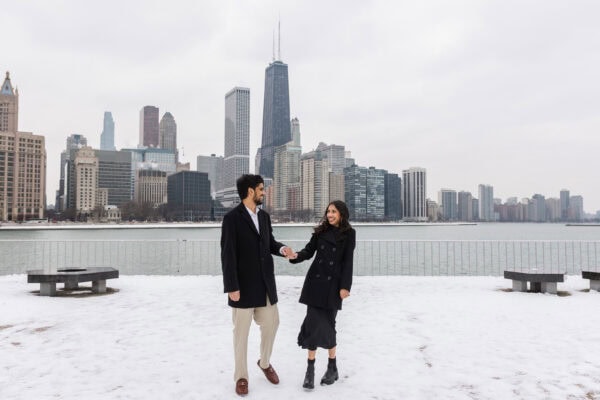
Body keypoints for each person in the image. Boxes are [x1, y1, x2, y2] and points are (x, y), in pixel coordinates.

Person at [221, 174, 295, 396]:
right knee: (241, 335)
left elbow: (270, 243)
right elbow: (228, 255)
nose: (264, 192)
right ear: (250, 191)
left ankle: (264, 363)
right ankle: (241, 377)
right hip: (241, 288)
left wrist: (283, 250)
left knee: (272, 324)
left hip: (265, 285)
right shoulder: (231, 218)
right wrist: (231, 287)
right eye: (261, 189)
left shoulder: (264, 216)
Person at [289, 200, 356, 390]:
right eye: (328, 211)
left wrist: (345, 287)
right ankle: (310, 371)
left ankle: (332, 367)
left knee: (328, 326)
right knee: (312, 325)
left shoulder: (349, 234)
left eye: (333, 211)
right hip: (315, 284)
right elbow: (309, 252)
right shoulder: (320, 232)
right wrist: (296, 256)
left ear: (342, 213)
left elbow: (348, 262)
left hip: (333, 287)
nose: (330, 215)